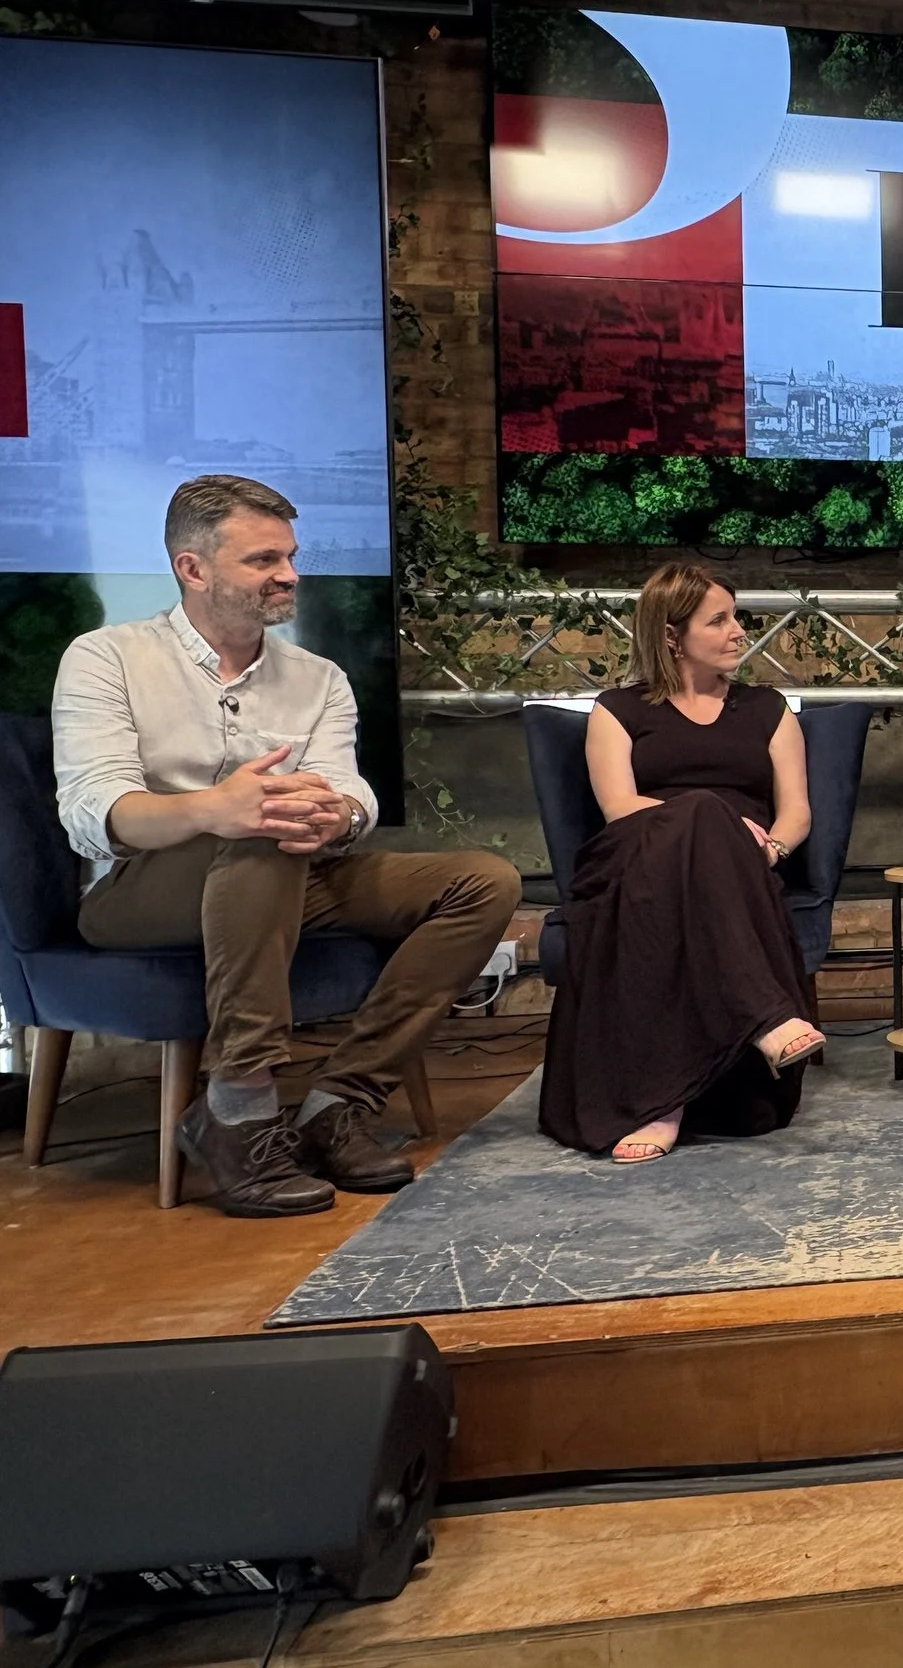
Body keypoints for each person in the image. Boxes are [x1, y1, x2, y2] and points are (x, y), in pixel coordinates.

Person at [51, 475, 521, 1217]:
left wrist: (338, 815)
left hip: (288, 872)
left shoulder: (318, 677)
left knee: (482, 881)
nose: (290, 575)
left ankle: (339, 1102)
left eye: (291, 556)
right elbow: (94, 813)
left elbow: (349, 786)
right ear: (193, 568)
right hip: (141, 891)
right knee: (261, 828)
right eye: (263, 559)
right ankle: (238, 1108)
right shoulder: (106, 657)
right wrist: (216, 809)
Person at [538, 564, 823, 1163]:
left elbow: (796, 811)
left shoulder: (768, 709)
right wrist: (713, 818)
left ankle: (664, 1101)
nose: (739, 631)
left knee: (706, 821)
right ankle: (766, 1018)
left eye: (736, 617)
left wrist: (769, 849)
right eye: (718, 621)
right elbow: (619, 806)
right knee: (700, 811)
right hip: (637, 865)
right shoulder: (617, 709)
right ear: (672, 636)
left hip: (744, 872)